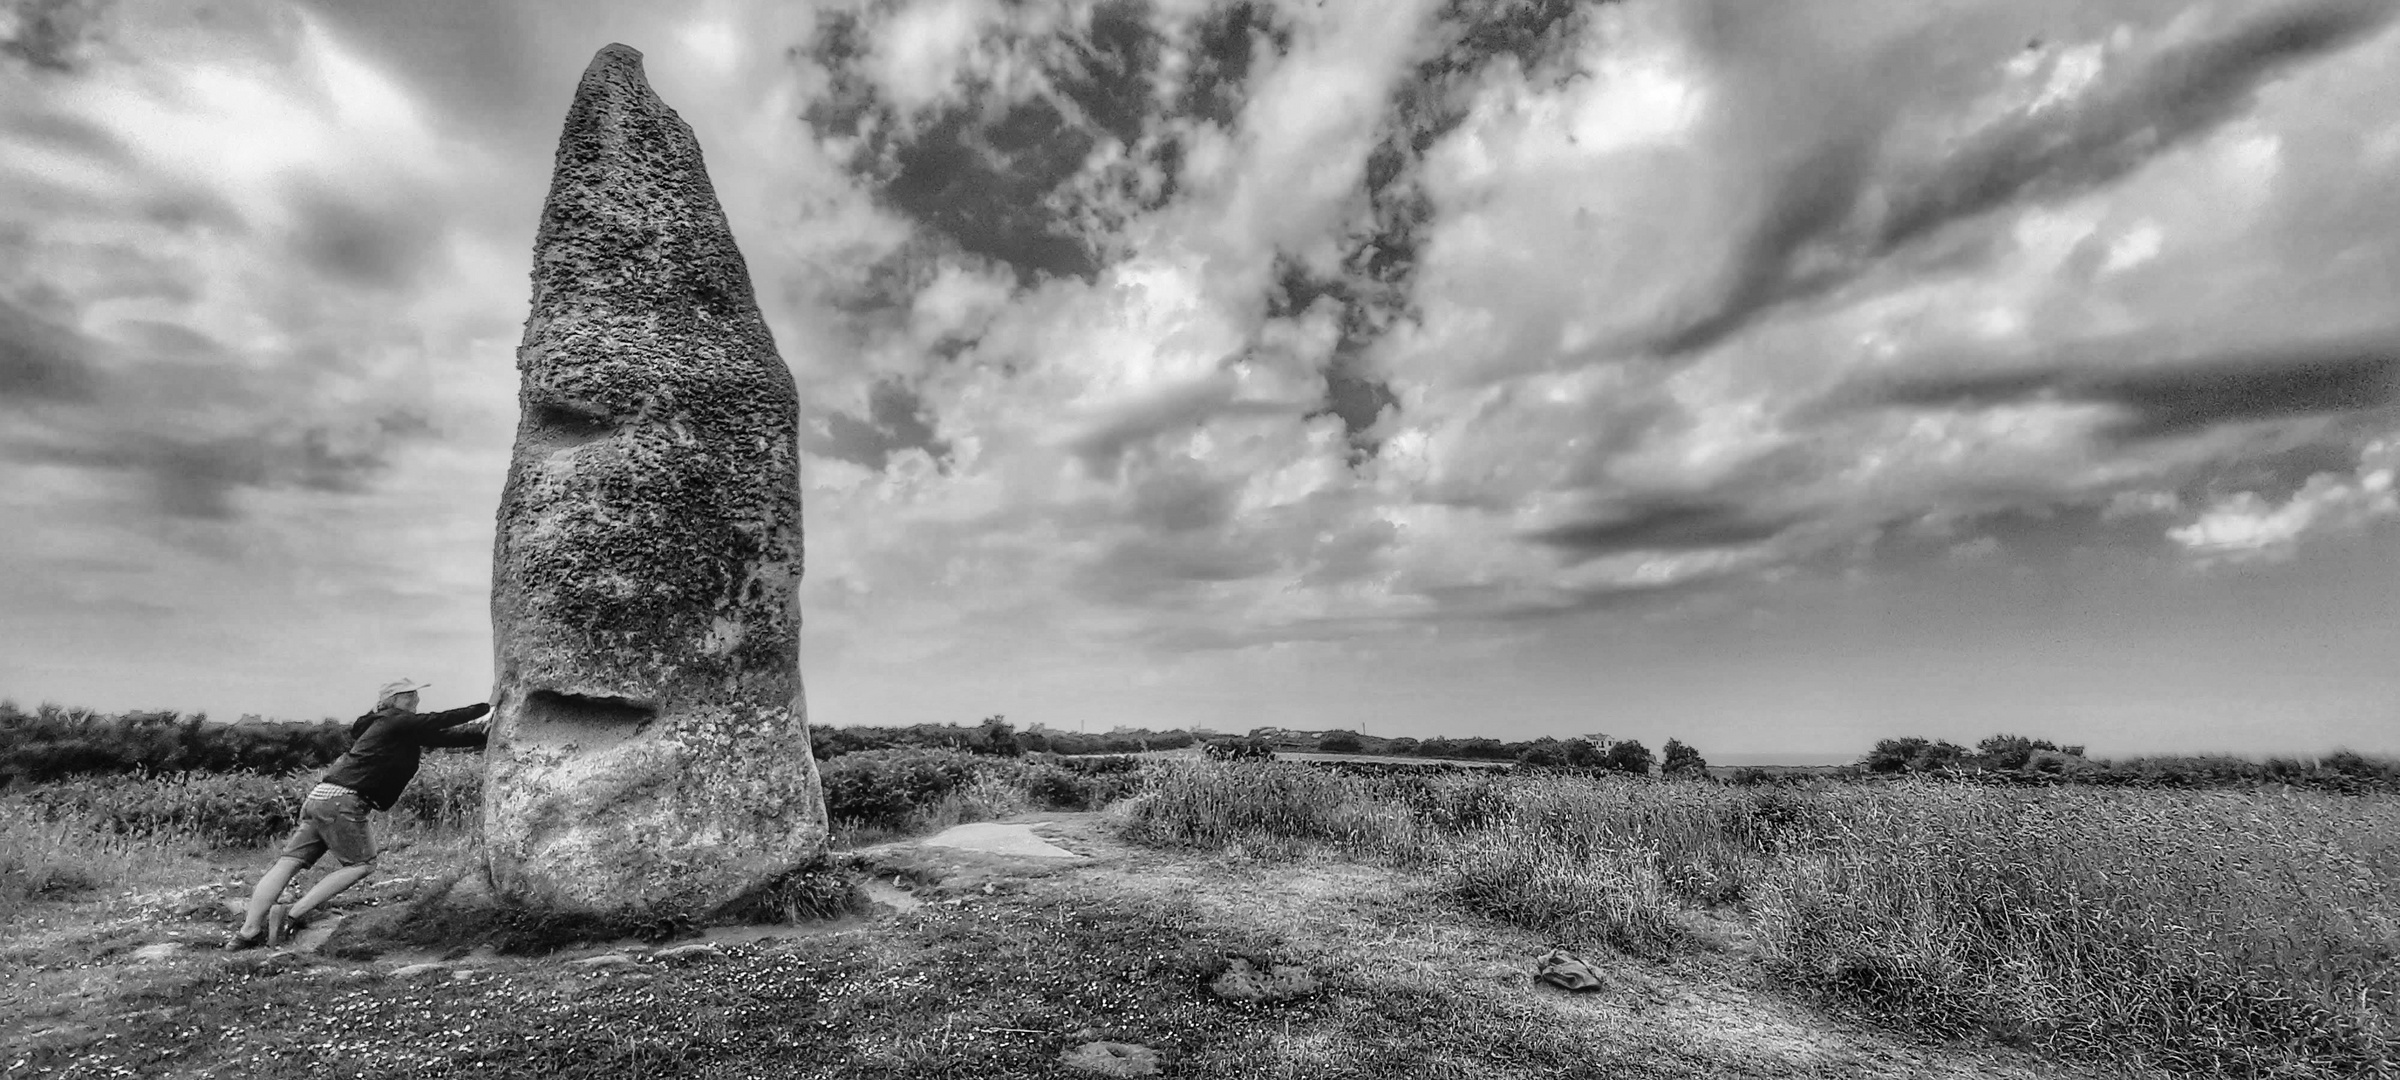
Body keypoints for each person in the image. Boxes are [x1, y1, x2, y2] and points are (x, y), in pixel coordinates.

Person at [226, 679, 492, 949]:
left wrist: (484, 734)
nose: (415, 700)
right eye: (409, 695)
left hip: (321, 797)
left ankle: (247, 933)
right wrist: (487, 706)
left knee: (288, 862)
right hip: (344, 801)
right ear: (394, 700)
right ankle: (292, 915)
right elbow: (440, 720)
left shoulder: (387, 725)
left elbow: (442, 737)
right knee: (360, 864)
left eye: (415, 695)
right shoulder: (393, 720)